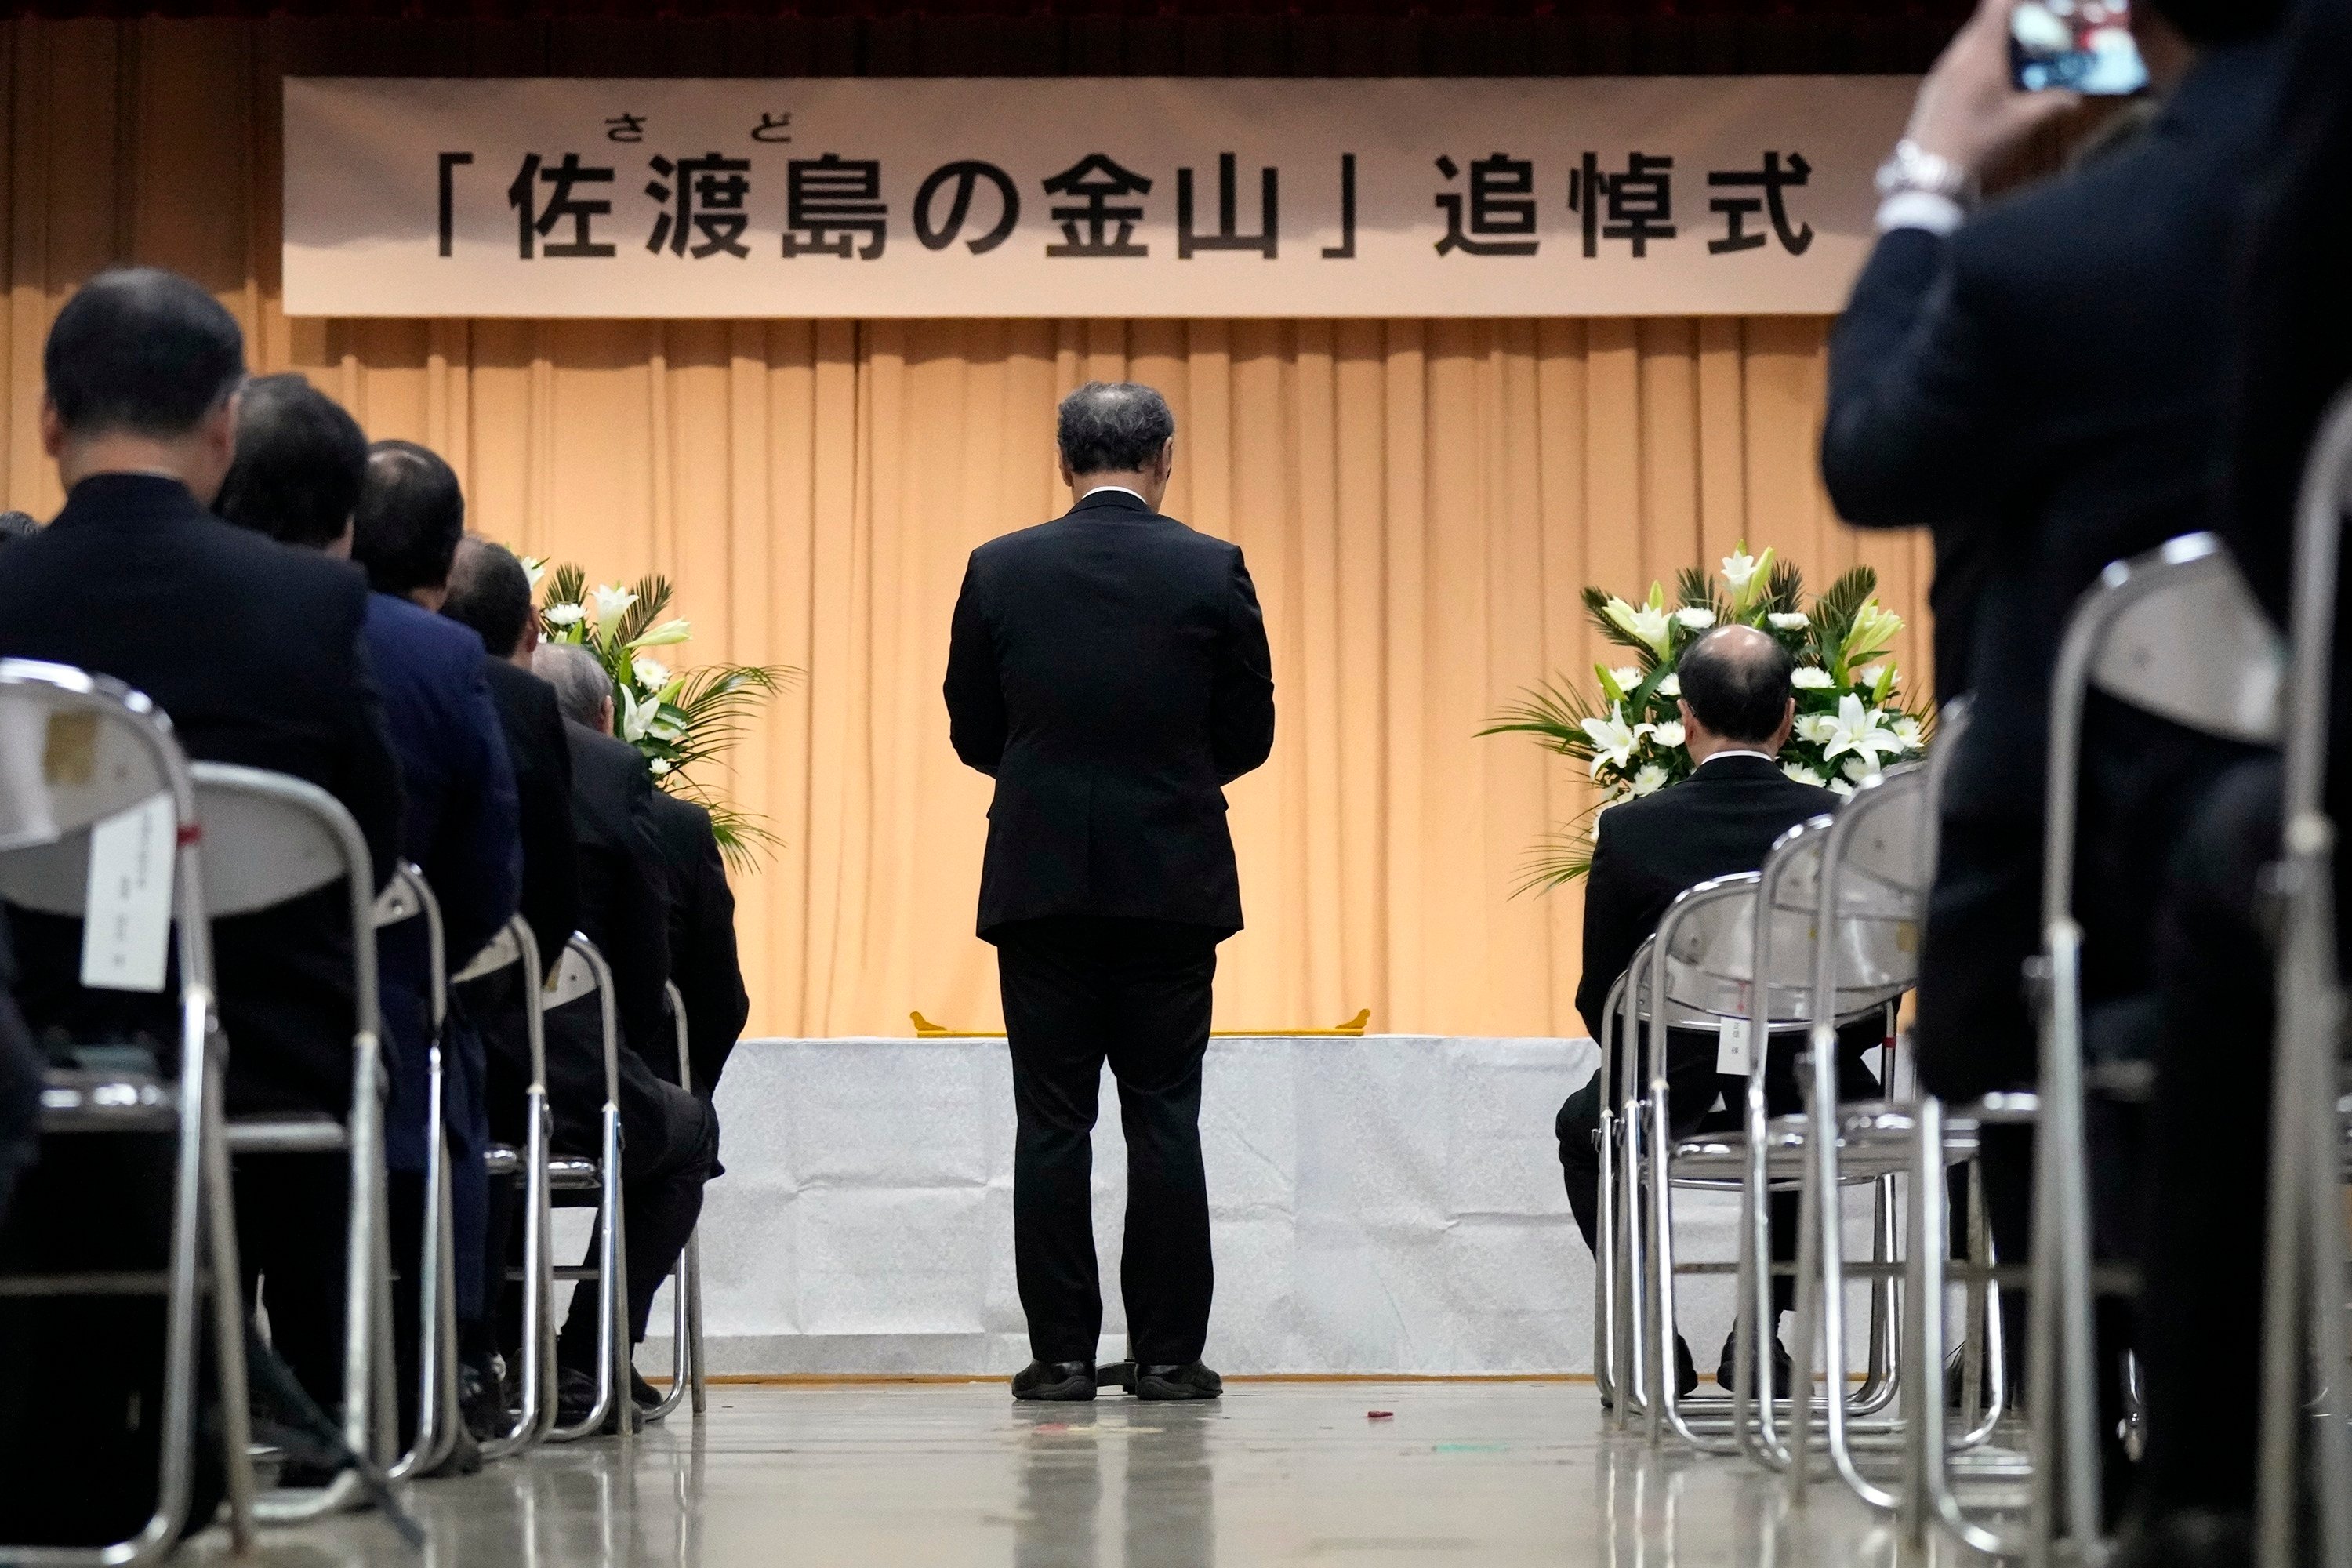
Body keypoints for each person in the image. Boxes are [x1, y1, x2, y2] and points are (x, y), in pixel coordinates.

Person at [0, 271, 404, 1426]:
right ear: (224, 424)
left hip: (42, 1048)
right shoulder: (309, 607)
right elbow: (368, 848)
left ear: (48, 422)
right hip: (268, 1051)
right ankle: (322, 1411)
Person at [943, 380, 1276, 1403]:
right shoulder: (1212, 568)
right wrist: (1167, 779)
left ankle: (1063, 1357)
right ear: (1165, 457)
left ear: (1063, 459)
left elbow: (970, 726)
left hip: (1039, 878)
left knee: (1052, 1121)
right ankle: (1170, 1357)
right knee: (1163, 1116)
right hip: (1171, 876)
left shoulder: (1000, 568)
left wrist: (1052, 781)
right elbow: (1250, 733)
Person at [217, 388, 523, 1470]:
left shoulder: (93, 608)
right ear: (343, 521)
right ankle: (375, 1405)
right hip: (351, 1032)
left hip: (134, 1033)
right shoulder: (422, 654)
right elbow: (485, 880)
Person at [1553, 626, 1882, 1396]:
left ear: (1687, 718)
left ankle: (1653, 1334)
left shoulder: (1634, 828)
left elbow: (1601, 992)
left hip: (1673, 1080)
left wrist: (1660, 1057)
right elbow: (1875, 995)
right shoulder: (1842, 825)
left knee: (1584, 1129)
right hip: (1813, 1074)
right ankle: (1759, 1339)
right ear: (1789, 717)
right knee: (1805, 1109)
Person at [534, 641, 715, 1424]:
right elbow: (679, 980)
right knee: (688, 1129)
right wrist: (646, 1066)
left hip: (458, 1085)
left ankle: (493, 1349)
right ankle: (586, 1353)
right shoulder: (626, 787)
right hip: (584, 1083)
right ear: (608, 716)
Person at [438, 534, 583, 1435]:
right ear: (530, 627)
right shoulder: (526, 705)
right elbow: (548, 895)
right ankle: (480, 1352)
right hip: (486, 1008)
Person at [644, 789, 749, 1102]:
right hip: (647, 1095)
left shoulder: (498, 805)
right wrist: (689, 1088)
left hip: (505, 1090)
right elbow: (721, 1000)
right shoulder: (673, 825)